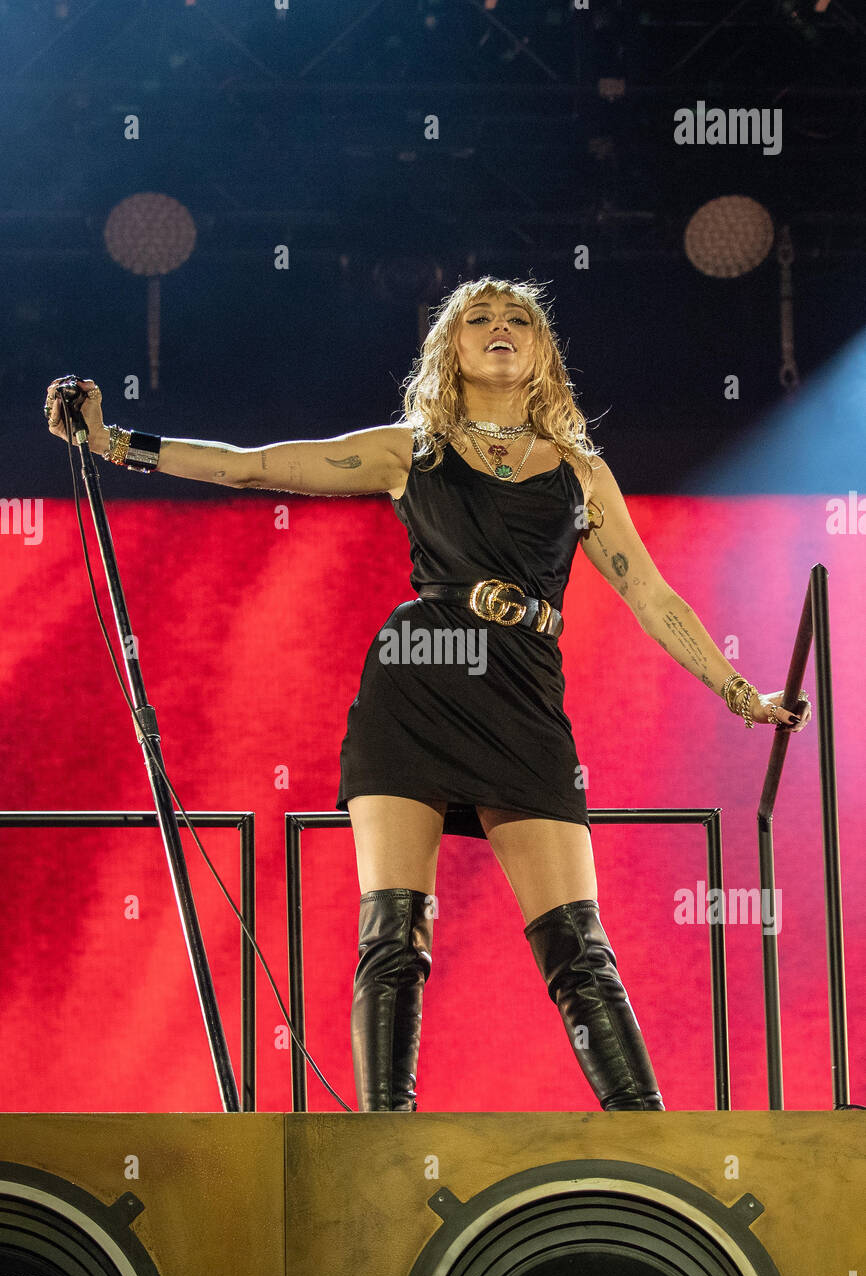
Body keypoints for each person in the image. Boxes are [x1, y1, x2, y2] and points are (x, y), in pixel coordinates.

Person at [44, 275, 812, 1115]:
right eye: (478, 318)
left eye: (518, 318)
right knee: (396, 929)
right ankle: (387, 1139)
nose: (500, 327)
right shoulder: (410, 451)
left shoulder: (581, 476)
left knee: (576, 942)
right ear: (451, 348)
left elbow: (654, 597)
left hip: (522, 695)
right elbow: (253, 467)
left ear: (540, 353)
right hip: (415, 688)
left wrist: (742, 693)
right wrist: (117, 442)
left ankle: (648, 1135)